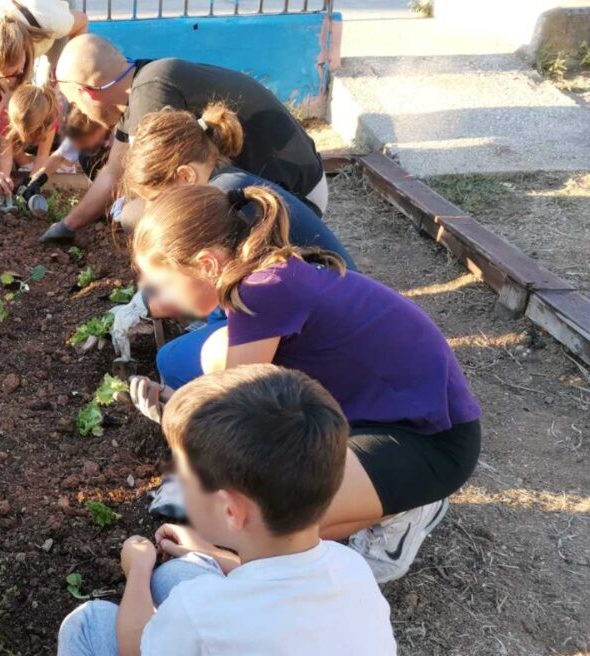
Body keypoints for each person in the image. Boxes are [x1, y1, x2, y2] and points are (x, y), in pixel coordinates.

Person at [128, 184, 482, 582]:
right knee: (282, 524)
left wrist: (174, 418)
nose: (159, 297)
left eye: (164, 283)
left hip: (430, 441)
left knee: (270, 522)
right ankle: (372, 502)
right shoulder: (262, 275)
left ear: (208, 264)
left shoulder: (262, 293)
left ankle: (406, 508)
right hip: (384, 419)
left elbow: (235, 429)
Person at [56, 365, 399, 656]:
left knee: (87, 624)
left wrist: (138, 569)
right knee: (179, 572)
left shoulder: (200, 614)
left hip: (181, 636)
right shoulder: (352, 568)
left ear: (230, 511)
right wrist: (207, 552)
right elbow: (279, 584)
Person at [121, 105, 355, 389]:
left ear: (185, 176)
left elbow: (222, 285)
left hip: (313, 327)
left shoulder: (214, 201)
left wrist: (152, 300)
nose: (157, 208)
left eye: (157, 198)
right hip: (326, 299)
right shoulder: (228, 183)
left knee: (171, 359)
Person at [42, 34, 326, 242]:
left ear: (86, 92)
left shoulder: (153, 92)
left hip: (293, 201)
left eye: (76, 104)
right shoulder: (145, 82)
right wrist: (67, 226)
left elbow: (155, 194)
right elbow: (114, 170)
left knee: (141, 216)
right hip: (287, 187)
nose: (84, 115)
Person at [0, 0, 87, 195]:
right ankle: (26, 164)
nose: (10, 83)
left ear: (27, 54)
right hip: (21, 23)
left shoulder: (50, 21)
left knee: (50, 89)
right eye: (1, 76)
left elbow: (82, 22)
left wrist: (65, 70)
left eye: (15, 74)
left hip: (50, 15)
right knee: (10, 103)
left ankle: (66, 161)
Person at [0, 84, 60, 180]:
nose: (26, 134)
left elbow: (42, 155)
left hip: (54, 141)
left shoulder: (49, 117)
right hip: (23, 143)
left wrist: (30, 183)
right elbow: (6, 156)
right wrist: (4, 179)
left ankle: (66, 165)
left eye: (28, 131)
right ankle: (26, 165)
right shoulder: (5, 117)